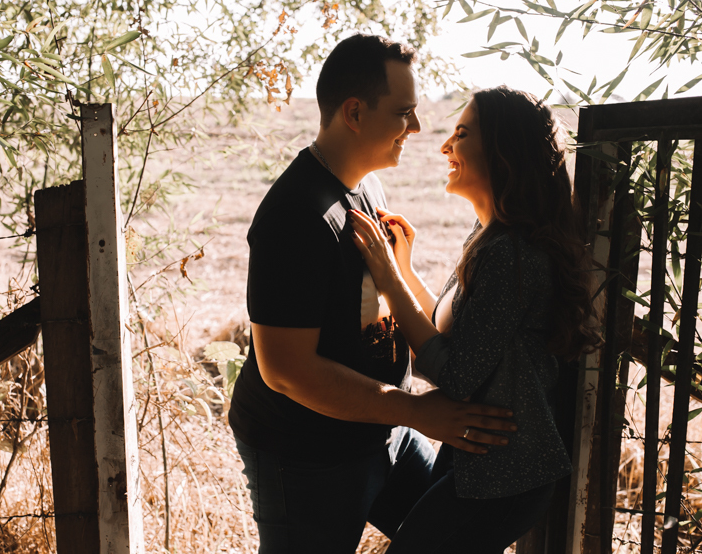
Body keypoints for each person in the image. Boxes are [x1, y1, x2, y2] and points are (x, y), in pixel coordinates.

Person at [228, 34, 519, 554]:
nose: (417, 127)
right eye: (403, 112)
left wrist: (400, 273)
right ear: (355, 113)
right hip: (305, 454)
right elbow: (287, 370)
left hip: (385, 429)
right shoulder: (294, 217)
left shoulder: (367, 186)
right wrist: (417, 411)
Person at [348, 86, 599, 553]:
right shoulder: (487, 237)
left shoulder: (512, 256)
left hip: (504, 479)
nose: (445, 146)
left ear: (502, 152)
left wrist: (388, 277)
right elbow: (451, 333)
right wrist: (402, 270)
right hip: (476, 461)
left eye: (460, 134)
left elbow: (458, 373)